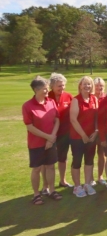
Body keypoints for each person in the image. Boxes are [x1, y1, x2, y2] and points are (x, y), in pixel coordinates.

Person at [22, 76, 62, 205]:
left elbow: (57, 120)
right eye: (44, 89)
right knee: (37, 169)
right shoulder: (27, 106)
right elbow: (30, 126)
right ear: (35, 89)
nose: (46, 91)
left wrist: (52, 137)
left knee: (50, 167)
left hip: (51, 141)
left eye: (47, 88)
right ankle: (36, 194)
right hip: (36, 144)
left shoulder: (51, 102)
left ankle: (52, 190)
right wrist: (48, 137)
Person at [70, 76, 98, 197]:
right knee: (77, 161)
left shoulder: (94, 99)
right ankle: (77, 186)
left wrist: (96, 131)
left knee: (89, 161)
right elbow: (73, 119)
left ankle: (87, 184)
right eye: (85, 84)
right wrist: (83, 135)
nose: (87, 86)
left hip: (92, 136)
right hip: (78, 137)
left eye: (89, 84)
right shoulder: (76, 100)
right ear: (80, 86)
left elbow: (97, 117)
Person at [46, 72, 73, 188]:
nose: (62, 88)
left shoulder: (68, 96)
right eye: (59, 86)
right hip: (49, 134)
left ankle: (63, 180)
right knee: (48, 160)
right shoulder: (47, 97)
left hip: (65, 133)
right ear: (52, 86)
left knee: (63, 158)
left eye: (63, 85)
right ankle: (46, 186)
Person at [93, 77, 107, 185]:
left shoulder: (106, 98)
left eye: (101, 85)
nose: (99, 88)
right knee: (89, 154)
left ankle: (100, 176)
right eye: (97, 86)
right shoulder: (90, 98)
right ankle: (90, 178)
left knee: (102, 154)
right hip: (91, 131)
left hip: (103, 131)